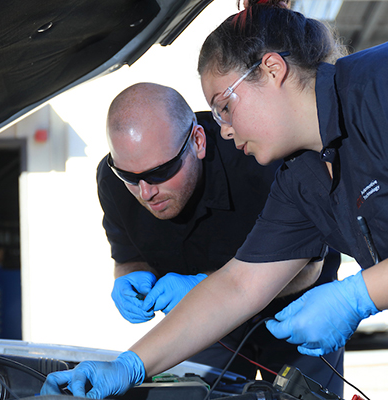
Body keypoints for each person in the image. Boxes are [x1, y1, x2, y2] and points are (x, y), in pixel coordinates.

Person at [41, 2, 388, 399]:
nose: (222, 129)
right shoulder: (304, 177)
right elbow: (238, 285)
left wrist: (357, 295)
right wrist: (129, 364)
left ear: (272, 69)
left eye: (224, 107)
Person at [96, 82, 344, 394]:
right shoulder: (114, 181)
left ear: (197, 141)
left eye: (161, 171)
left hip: (298, 315)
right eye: (131, 178)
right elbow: (128, 255)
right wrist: (132, 275)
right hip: (206, 325)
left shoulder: (259, 160)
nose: (146, 193)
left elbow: (310, 268)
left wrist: (202, 285)